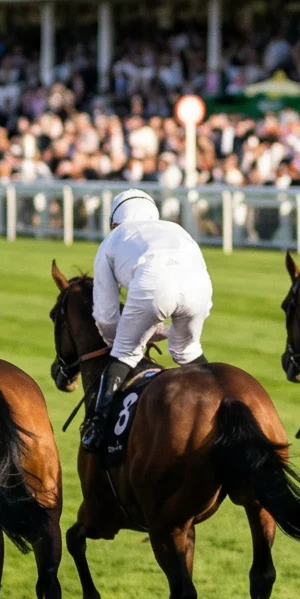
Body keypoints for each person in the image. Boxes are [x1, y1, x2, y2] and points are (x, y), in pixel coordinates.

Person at [85, 188, 213, 450]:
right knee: (187, 350)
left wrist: (123, 341)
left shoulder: (112, 239)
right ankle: (220, 402)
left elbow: (106, 317)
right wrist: (160, 330)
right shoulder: (176, 229)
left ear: (114, 221)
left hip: (154, 283)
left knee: (124, 351)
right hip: (200, 289)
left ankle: (96, 428)